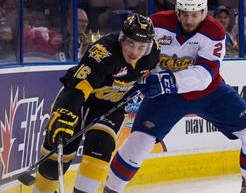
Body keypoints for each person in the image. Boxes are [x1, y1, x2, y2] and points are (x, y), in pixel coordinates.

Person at [103, 0, 246, 193]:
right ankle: (110, 190)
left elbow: (204, 75)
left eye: (195, 15)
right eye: (185, 14)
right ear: (178, 11)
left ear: (203, 12)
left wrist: (166, 81)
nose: (189, 20)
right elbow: (133, 50)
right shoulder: (157, 23)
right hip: (165, 97)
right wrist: (136, 76)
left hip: (209, 92)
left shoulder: (214, 31)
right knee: (139, 142)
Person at [32, 13, 160, 193]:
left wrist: (152, 82)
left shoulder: (153, 53)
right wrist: (65, 113)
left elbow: (155, 72)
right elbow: (78, 86)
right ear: (122, 39)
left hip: (110, 108)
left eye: (141, 47)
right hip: (77, 103)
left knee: (99, 152)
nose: (134, 52)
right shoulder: (103, 52)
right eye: (130, 43)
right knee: (54, 164)